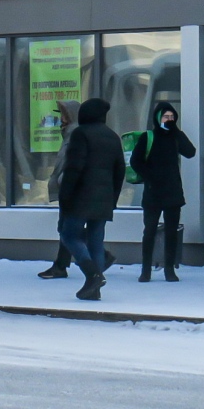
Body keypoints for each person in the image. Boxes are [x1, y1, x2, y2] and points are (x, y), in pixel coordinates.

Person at [58, 97, 125, 301]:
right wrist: (112, 199)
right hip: (104, 198)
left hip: (81, 196)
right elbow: (119, 170)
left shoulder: (81, 134)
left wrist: (65, 196)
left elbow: (74, 168)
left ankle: (92, 275)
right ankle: (94, 289)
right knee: (96, 242)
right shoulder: (113, 136)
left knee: (69, 235)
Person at [131, 101, 196, 283]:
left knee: (171, 231)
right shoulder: (148, 137)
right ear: (158, 118)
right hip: (153, 192)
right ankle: (146, 270)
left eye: (172, 117)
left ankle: (169, 269)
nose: (169, 120)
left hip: (173, 191)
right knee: (150, 230)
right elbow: (136, 161)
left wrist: (177, 131)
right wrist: (150, 177)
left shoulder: (175, 136)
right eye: (166, 117)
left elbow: (190, 152)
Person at [38, 101, 78, 279]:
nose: (60, 119)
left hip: (70, 187)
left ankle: (61, 265)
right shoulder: (70, 132)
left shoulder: (75, 134)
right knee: (67, 228)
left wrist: (62, 181)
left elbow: (69, 163)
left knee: (67, 228)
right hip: (68, 186)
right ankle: (61, 264)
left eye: (63, 114)